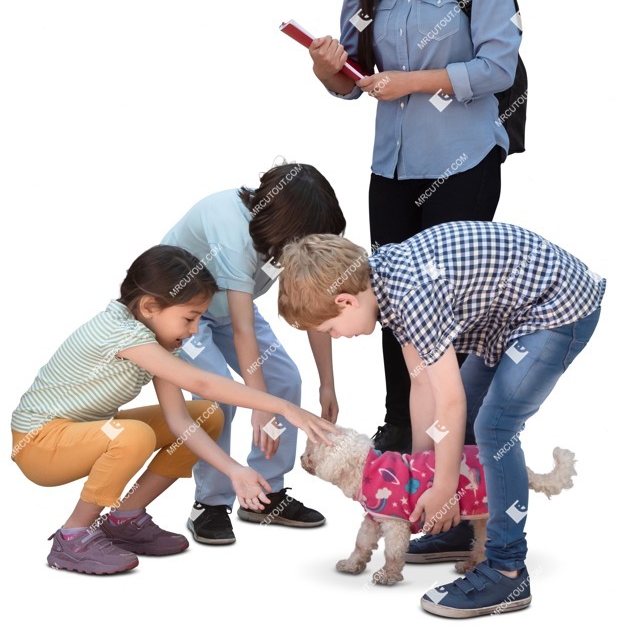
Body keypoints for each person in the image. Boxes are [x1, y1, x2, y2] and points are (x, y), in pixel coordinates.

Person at [308, 0, 522, 458]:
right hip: (393, 168)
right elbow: (353, 82)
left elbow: (497, 66)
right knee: (393, 300)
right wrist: (330, 69)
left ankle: (449, 441)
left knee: (447, 305)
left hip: (463, 163)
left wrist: (412, 82)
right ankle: (400, 427)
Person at [277, 222, 605, 617]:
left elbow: (449, 401)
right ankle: (461, 527)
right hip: (506, 320)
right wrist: (424, 479)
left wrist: (445, 487)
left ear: (346, 301)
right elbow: (423, 388)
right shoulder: (384, 285)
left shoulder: (411, 295)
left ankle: (506, 569)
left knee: (493, 427)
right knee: (460, 432)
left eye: (329, 329)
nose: (335, 336)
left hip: (556, 307)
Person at [10, 245, 336, 575]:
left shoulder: (161, 341)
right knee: (134, 436)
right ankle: (73, 536)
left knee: (206, 416)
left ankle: (125, 519)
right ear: (150, 306)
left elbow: (180, 421)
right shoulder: (121, 332)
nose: (196, 330)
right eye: (190, 318)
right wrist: (283, 406)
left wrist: (235, 470)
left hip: (86, 432)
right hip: (40, 443)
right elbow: (203, 382)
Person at [161, 162, 346, 544]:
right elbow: (244, 332)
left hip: (229, 308)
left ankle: (266, 493)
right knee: (219, 396)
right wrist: (261, 406)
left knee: (284, 380)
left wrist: (326, 383)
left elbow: (313, 309)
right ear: (286, 226)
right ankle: (210, 503)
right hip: (183, 314)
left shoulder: (291, 234)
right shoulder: (230, 231)